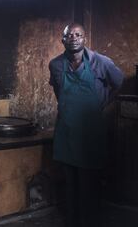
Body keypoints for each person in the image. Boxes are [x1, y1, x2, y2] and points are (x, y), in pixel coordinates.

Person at [49, 23, 124, 227]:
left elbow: (119, 84)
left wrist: (103, 106)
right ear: (63, 40)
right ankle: (72, 220)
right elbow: (58, 91)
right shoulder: (55, 65)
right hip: (66, 131)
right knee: (70, 182)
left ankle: (88, 221)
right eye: (69, 35)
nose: (74, 37)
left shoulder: (102, 62)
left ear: (84, 39)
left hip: (90, 133)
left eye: (78, 34)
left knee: (88, 182)